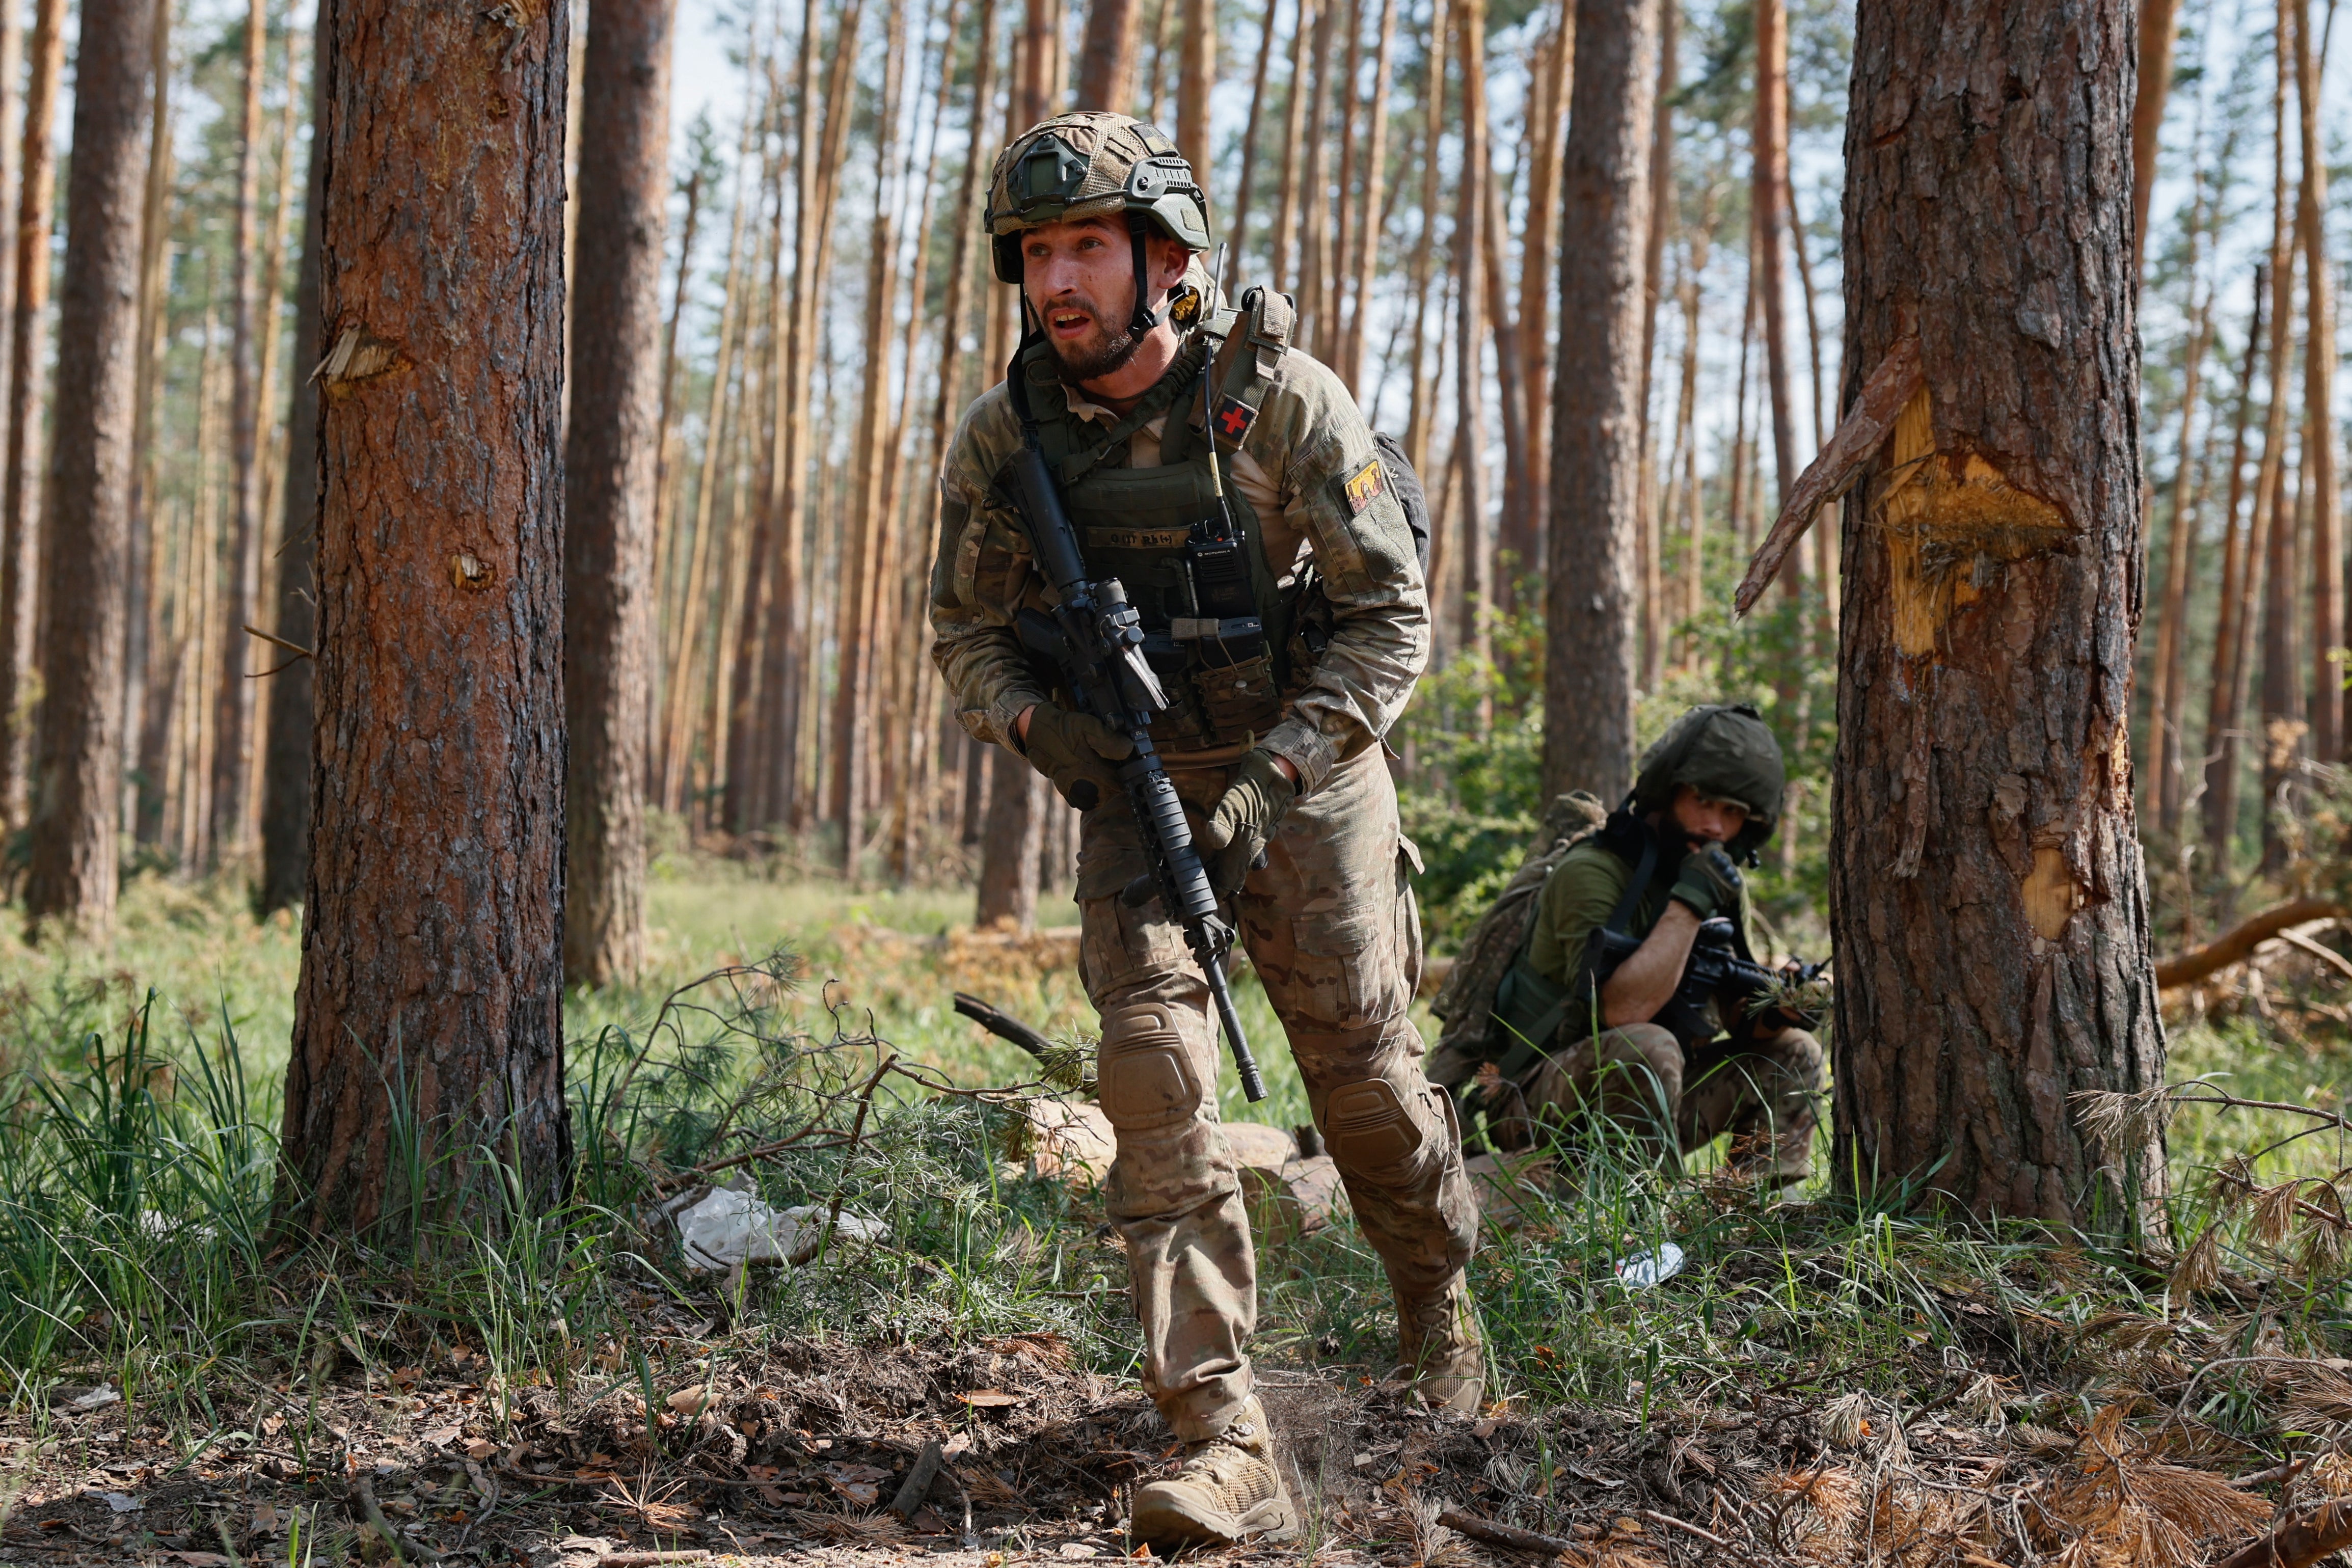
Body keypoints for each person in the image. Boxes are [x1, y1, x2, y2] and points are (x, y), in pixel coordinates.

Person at [927, 113, 1477, 1549]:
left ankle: (1439, 1311)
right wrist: (1046, 731)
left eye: (1087, 247)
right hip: (1134, 783)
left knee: (1361, 1075)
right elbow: (966, 632)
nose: (1059, 278)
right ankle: (1223, 1431)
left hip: (1309, 774)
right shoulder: (1010, 437)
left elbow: (1388, 619)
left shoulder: (1277, 402)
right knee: (1156, 1075)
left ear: (1165, 258)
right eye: (1038, 251)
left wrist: (1276, 771)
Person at [1478, 705, 1826, 1182]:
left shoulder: (1718, 879)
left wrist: (1780, 1010)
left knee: (1797, 1051)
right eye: (1703, 801)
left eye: (1734, 813)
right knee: (1648, 1045)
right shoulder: (1593, 872)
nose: (1715, 828)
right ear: (1667, 793)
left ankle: (1755, 1211)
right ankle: (1649, 1222)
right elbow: (1621, 1012)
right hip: (1533, 1103)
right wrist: (1690, 903)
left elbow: (1734, 1017)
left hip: (1654, 1095)